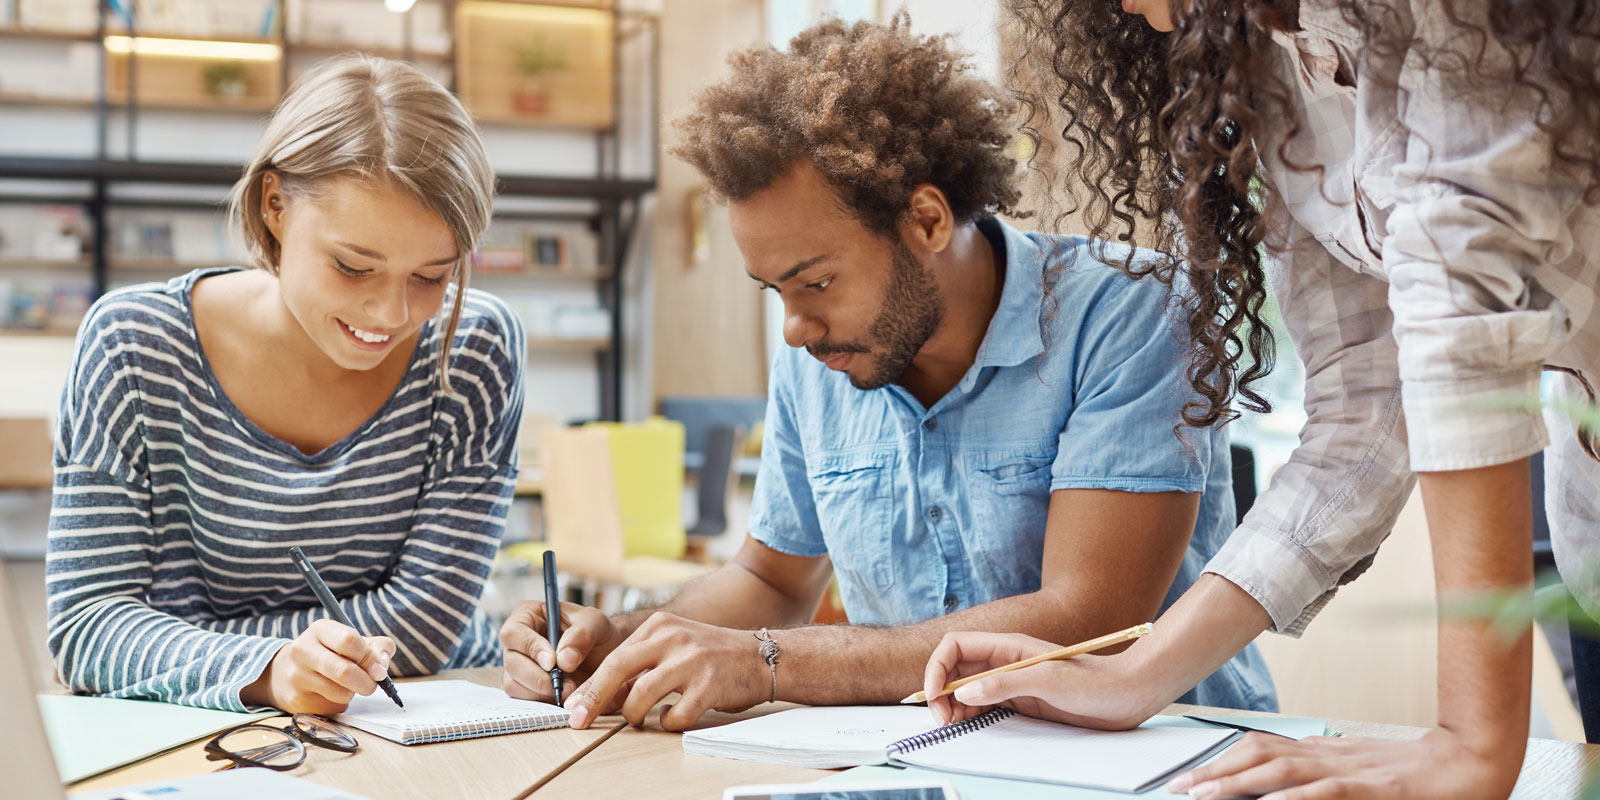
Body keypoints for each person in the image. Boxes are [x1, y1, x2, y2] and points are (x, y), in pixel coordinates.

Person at [498, 15, 1275, 732]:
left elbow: (1089, 620)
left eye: (816, 282)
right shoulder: (820, 359)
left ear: (928, 220)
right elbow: (772, 580)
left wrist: (769, 664)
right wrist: (628, 642)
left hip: (1153, 761)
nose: (795, 328)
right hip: (922, 759)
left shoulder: (1131, 313)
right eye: (775, 292)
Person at [926, 1, 1600, 797]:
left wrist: (1472, 740)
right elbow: (1363, 405)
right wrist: (1134, 674)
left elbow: (1458, 312)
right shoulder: (1268, 66)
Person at [45, 55, 524, 714]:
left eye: (432, 276)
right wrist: (267, 669)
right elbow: (87, 627)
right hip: (208, 739)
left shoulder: (472, 349)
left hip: (428, 712)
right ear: (275, 205)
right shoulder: (134, 347)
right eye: (354, 267)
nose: (392, 315)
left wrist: (181, 648)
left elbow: (423, 625)